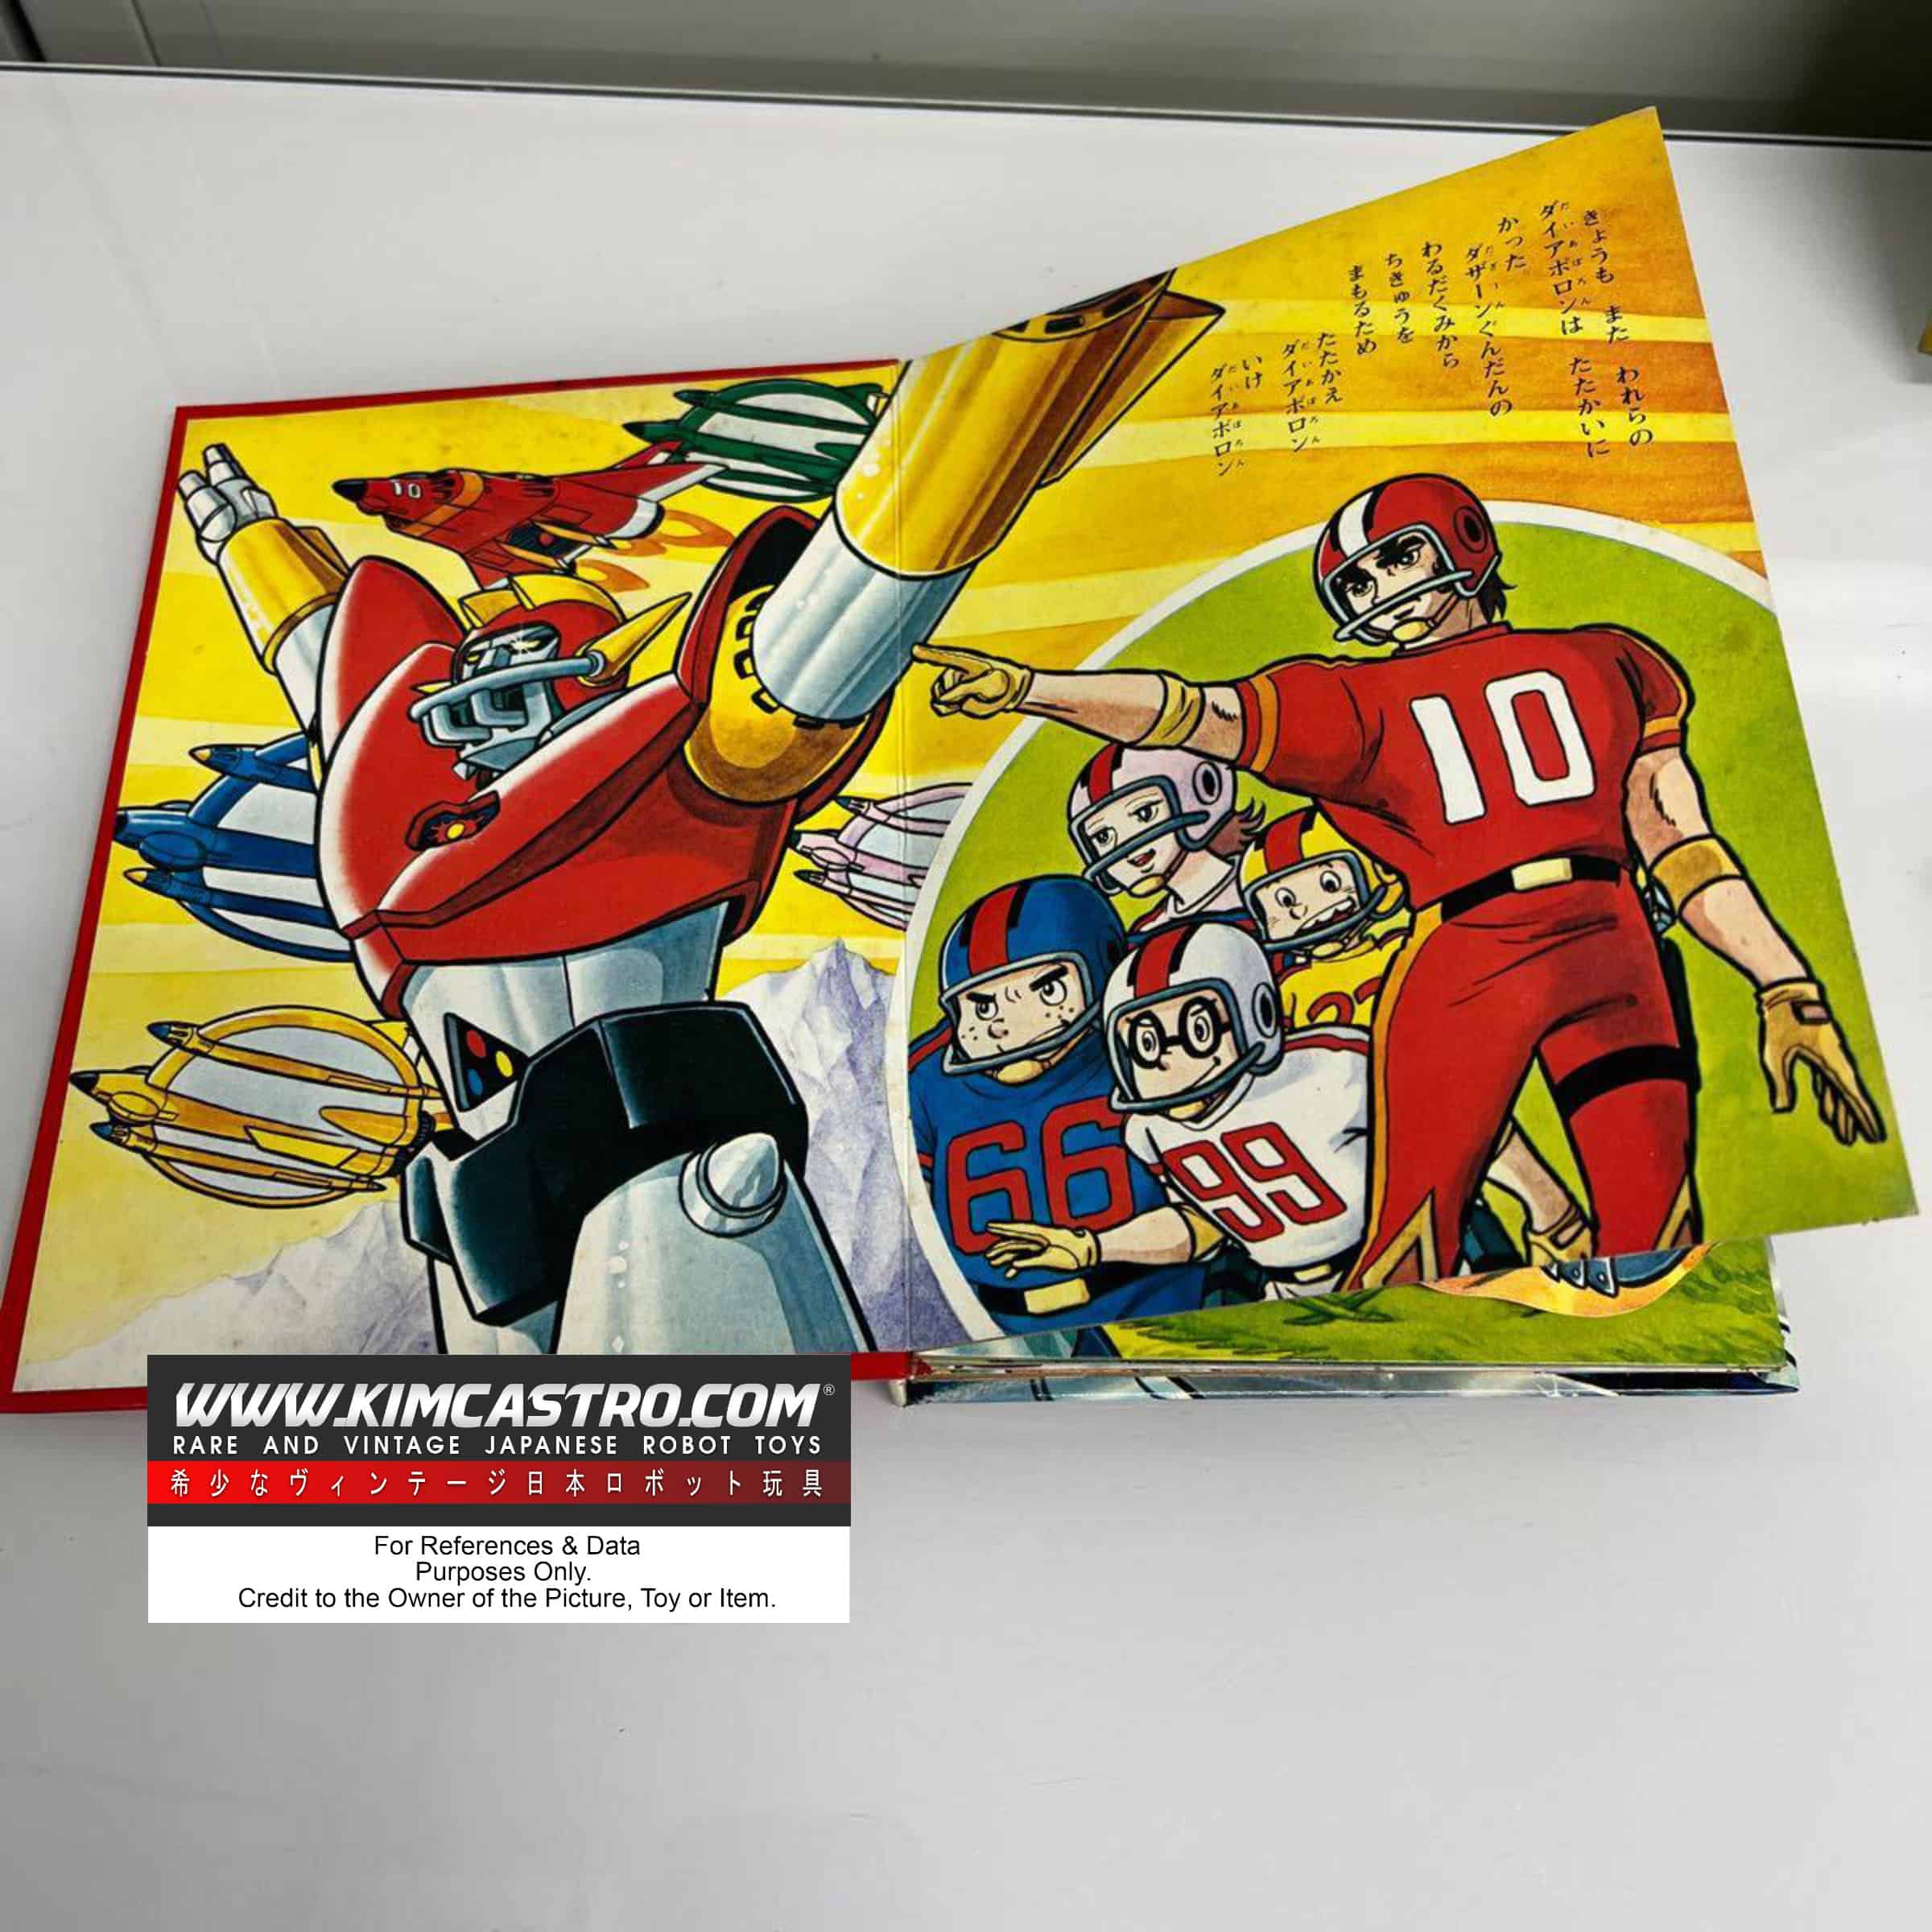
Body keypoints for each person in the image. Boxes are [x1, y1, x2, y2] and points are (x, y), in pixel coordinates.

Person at [915, 471, 1883, 1289]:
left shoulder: (1603, 664)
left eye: (1396, 559)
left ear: (1464, 540)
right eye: (1358, 578)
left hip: (1602, 941)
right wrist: (1034, 692)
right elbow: (1189, 714)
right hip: (1490, 950)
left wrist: (1785, 985)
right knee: (1410, 1240)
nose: (1380, 589)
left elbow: (1678, 840)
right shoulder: (1368, 696)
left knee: (1655, 1230)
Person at [907, 875, 1221, 1333]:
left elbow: (1215, 1217)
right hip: (991, 1328)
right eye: (983, 1006)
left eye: (1048, 990)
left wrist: (1094, 1248)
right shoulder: (926, 1081)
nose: (1007, 1027)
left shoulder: (1147, 1043)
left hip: (1155, 1306)